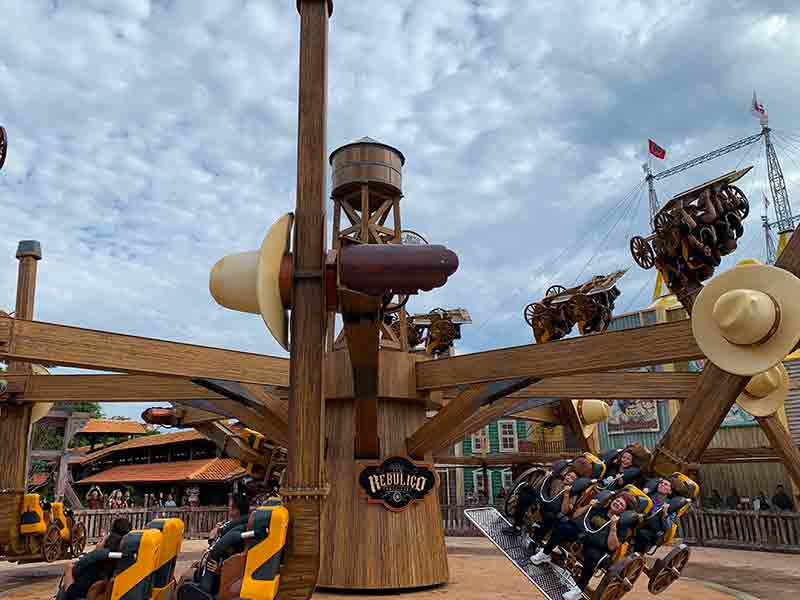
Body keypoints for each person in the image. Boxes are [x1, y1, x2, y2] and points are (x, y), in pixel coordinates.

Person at [532, 493, 636, 600]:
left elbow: (612, 547)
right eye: (617, 501)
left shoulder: (622, 526)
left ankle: (579, 590)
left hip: (595, 546)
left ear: (624, 510)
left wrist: (613, 525)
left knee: (593, 557)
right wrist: (589, 506)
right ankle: (545, 553)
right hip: (582, 535)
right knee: (563, 528)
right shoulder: (600, 509)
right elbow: (575, 516)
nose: (617, 503)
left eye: (621, 504)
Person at [57, 518, 132, 600]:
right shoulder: (129, 558)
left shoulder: (99, 557)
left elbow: (77, 568)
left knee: (69, 567)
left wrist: (68, 570)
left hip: (82, 593)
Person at [633, 479, 674, 554]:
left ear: (670, 491)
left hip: (652, 530)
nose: (662, 484)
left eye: (666, 484)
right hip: (639, 521)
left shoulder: (670, 505)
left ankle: (637, 554)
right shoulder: (649, 496)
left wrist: (665, 514)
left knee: (642, 533)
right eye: (661, 483)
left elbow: (668, 526)